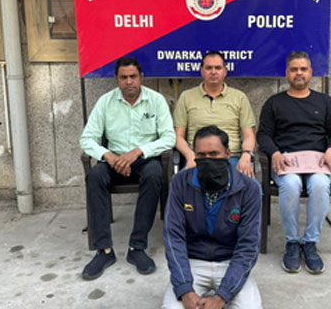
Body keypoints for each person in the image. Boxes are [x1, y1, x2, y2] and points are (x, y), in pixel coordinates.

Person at [79, 57, 175, 280]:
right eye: (124, 77)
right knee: (95, 176)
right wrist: (109, 156)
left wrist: (138, 152)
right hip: (114, 160)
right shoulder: (105, 102)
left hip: (144, 159)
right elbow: (87, 139)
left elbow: (168, 138)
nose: (129, 81)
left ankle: (137, 247)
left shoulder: (156, 100)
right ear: (117, 79)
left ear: (141, 77)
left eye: (133, 76)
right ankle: (104, 251)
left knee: (154, 174)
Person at [257, 51, 331, 274]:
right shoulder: (274, 103)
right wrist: (274, 153)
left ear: (310, 72)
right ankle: (292, 242)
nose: (299, 73)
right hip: (287, 161)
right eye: (294, 69)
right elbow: (263, 134)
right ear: (287, 73)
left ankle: (310, 243)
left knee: (320, 185)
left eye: (303, 69)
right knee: (291, 185)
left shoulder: (325, 102)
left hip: (318, 160)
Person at [163, 126, 262, 309]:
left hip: (230, 262)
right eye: (201, 155)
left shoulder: (249, 188)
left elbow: (248, 246)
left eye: (214, 154)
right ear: (194, 156)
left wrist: (221, 297)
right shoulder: (180, 183)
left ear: (227, 154)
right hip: (193, 261)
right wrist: (185, 289)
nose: (207, 159)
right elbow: (173, 237)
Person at [173, 51, 256, 177]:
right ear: (201, 71)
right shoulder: (186, 97)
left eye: (218, 68)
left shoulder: (239, 97)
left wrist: (246, 155)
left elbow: (249, 135)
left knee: (251, 186)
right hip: (198, 158)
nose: (213, 72)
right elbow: (178, 136)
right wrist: (190, 155)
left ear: (225, 71)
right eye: (208, 68)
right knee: (181, 184)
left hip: (231, 158)